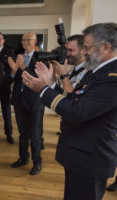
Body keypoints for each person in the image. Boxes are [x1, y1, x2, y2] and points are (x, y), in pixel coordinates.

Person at [22, 22, 117, 200]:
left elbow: (77, 112)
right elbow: (74, 99)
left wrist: (43, 90)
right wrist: (50, 85)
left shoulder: (112, 78)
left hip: (91, 160)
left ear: (105, 48)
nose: (84, 52)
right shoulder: (97, 72)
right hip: (79, 156)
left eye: (87, 48)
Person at [8, 32, 44, 175]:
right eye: (23, 40)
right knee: (23, 133)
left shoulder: (41, 57)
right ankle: (23, 158)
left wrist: (23, 68)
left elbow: (39, 78)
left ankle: (37, 162)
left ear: (35, 42)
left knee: (35, 134)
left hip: (35, 101)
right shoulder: (19, 57)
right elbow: (14, 79)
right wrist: (13, 71)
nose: (25, 42)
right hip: (19, 99)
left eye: (29, 40)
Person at [0, 32, 15, 144]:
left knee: (6, 111)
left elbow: (12, 68)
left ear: (3, 40)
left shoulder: (9, 52)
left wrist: (8, 79)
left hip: (5, 84)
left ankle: (9, 133)